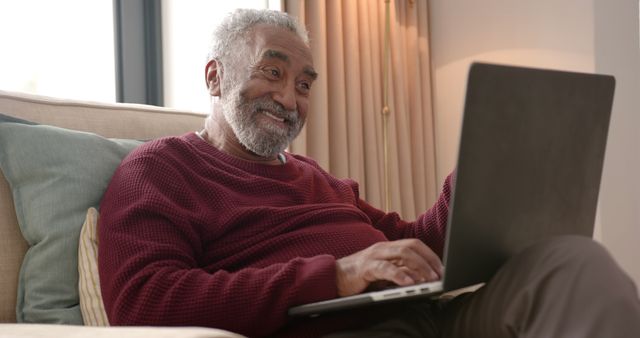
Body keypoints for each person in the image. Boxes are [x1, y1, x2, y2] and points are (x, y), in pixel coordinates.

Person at [97, 8, 640, 338]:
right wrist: (335, 276)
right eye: (272, 72)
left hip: (431, 319)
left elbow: (411, 244)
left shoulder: (314, 176)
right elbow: (146, 302)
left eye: (305, 84)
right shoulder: (158, 170)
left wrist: (482, 174)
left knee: (572, 264)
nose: (289, 98)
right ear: (215, 77)